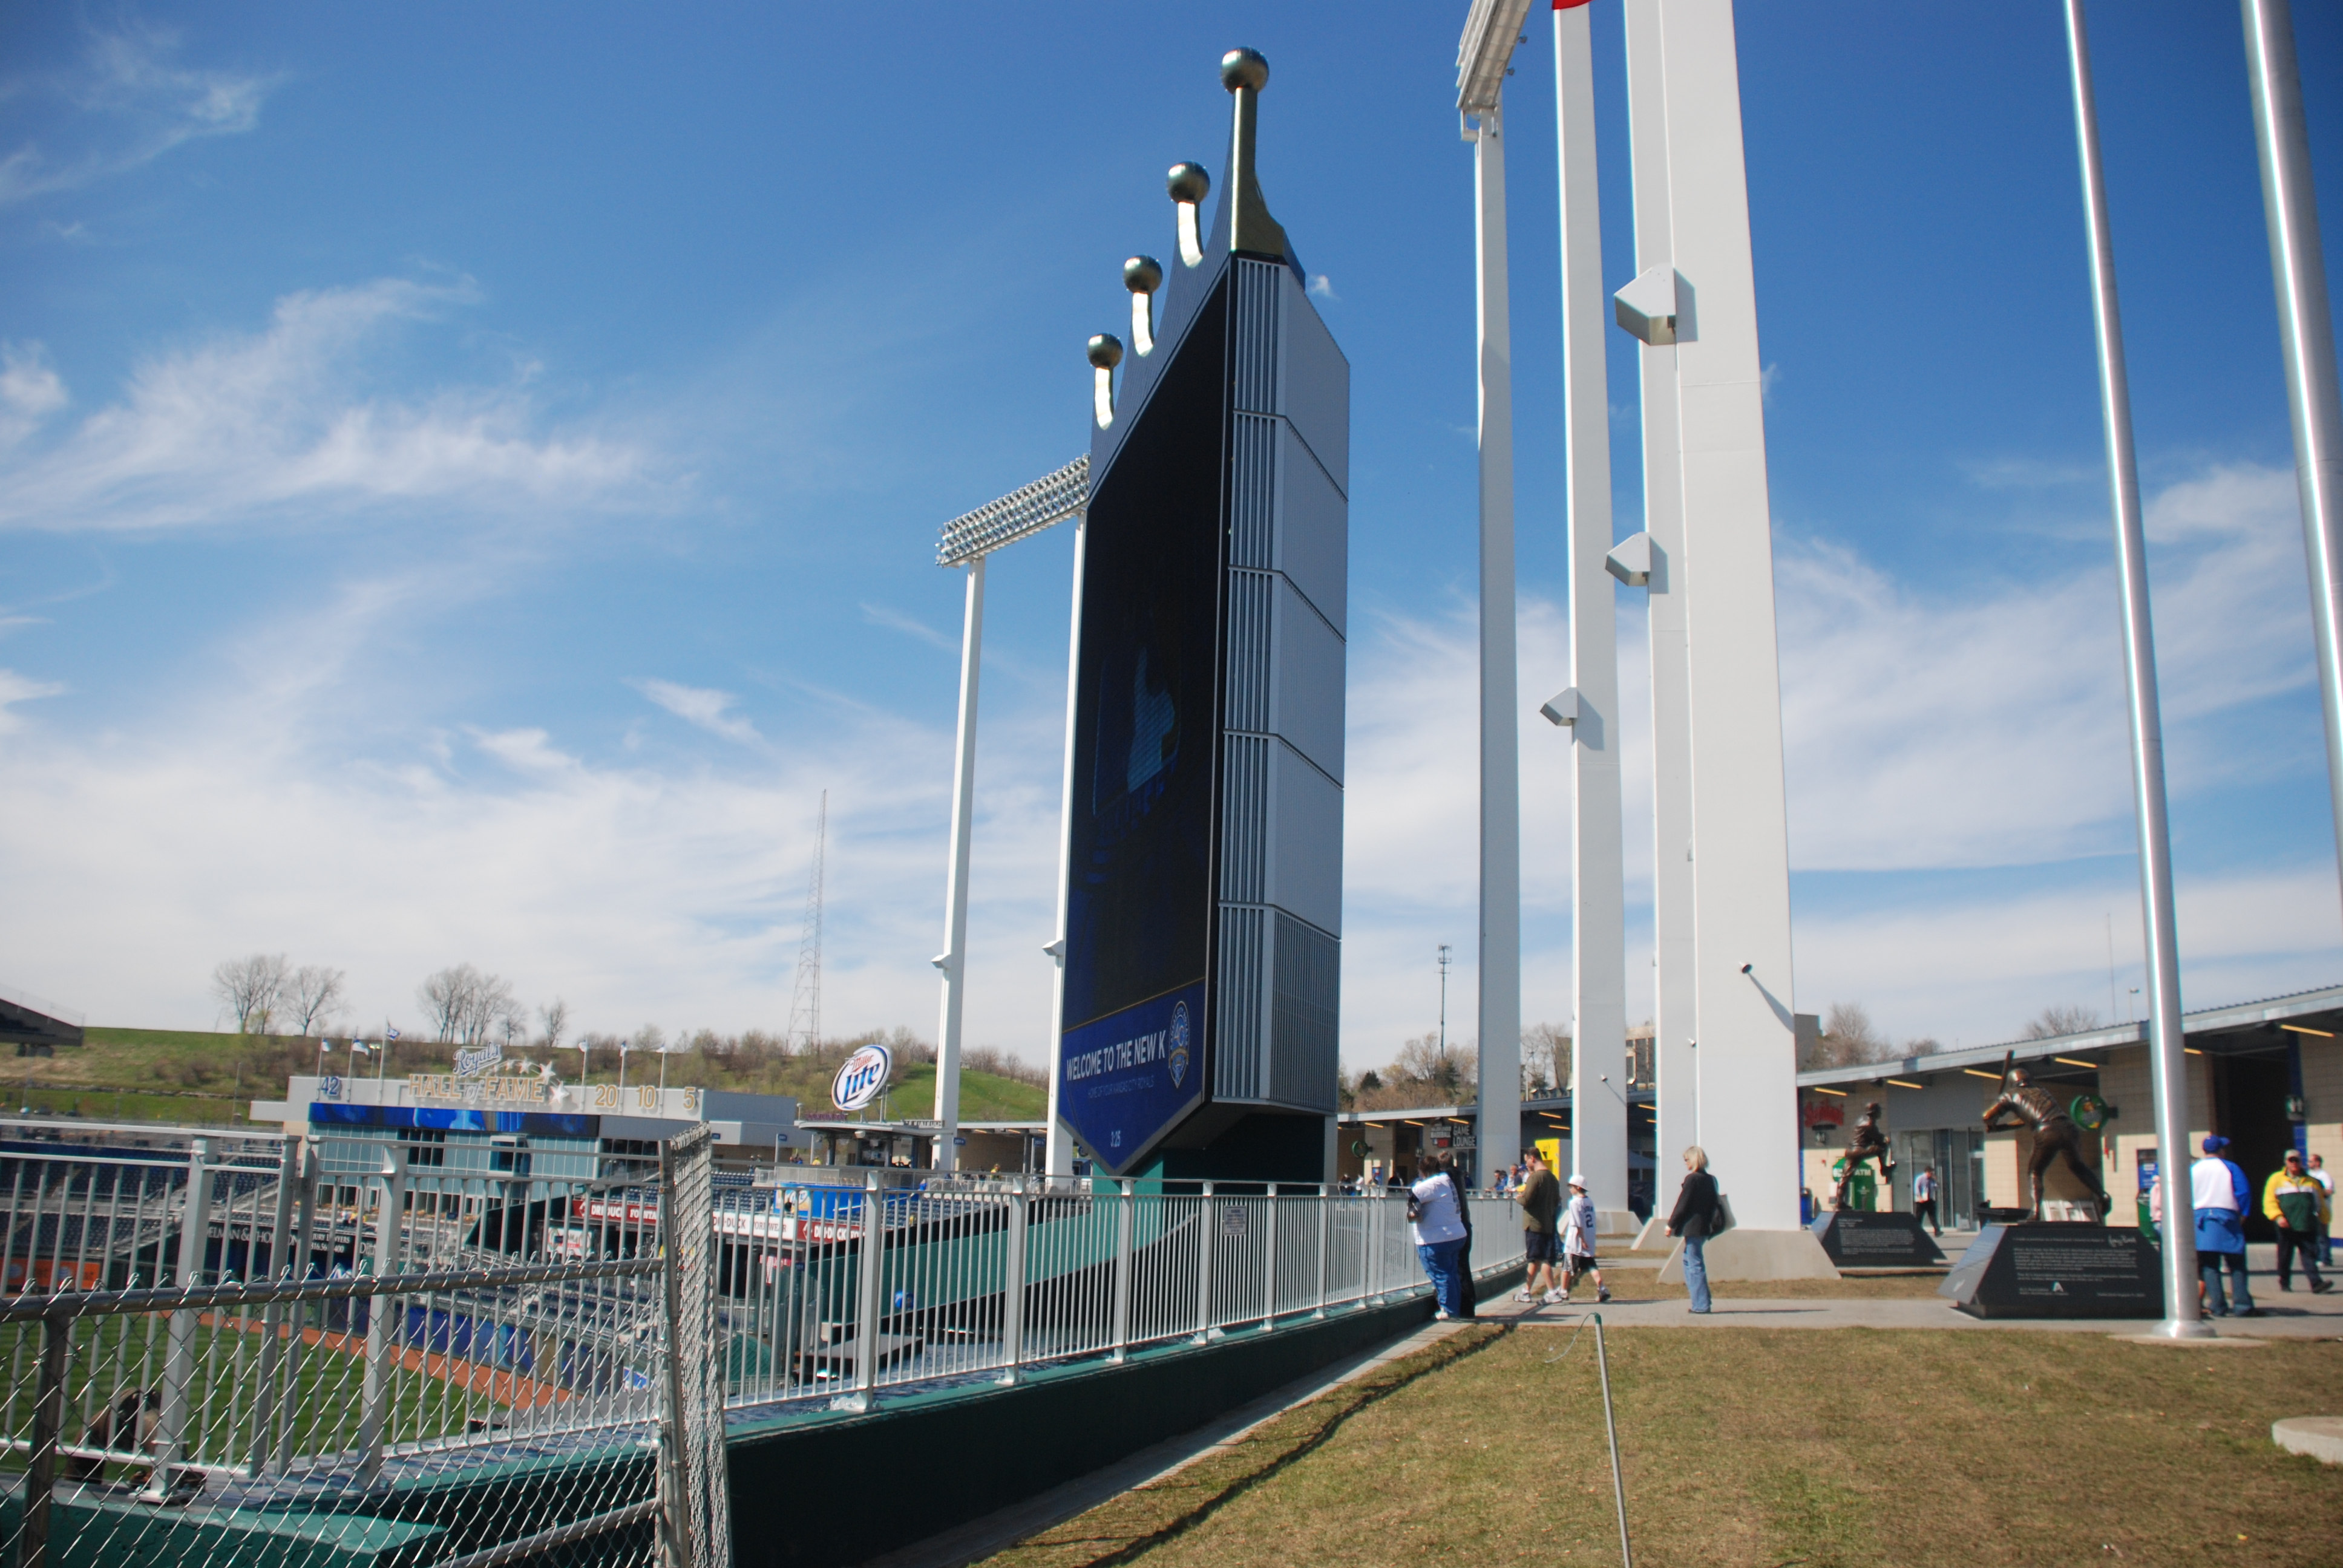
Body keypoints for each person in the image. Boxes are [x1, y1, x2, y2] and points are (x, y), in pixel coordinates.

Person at [2192, 1135, 2258, 1318]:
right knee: (2237, 1264)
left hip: (2201, 1219)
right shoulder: (2230, 1167)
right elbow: (2243, 1191)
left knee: (2209, 1265)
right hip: (2227, 1216)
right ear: (2220, 1150)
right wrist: (2243, 1213)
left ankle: (2217, 1305)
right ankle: (2242, 1305)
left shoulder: (2194, 1169)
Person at [2263, 1148, 2333, 1294]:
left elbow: (2320, 1203)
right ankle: (2285, 1283)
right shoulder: (2276, 1180)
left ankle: (2316, 1283)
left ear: (2301, 1162)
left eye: (2297, 1160)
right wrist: (2278, 1217)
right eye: (2291, 1160)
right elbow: (2269, 1202)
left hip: (2306, 1224)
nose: (2294, 1163)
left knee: (2309, 1255)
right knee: (2285, 1257)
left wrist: (2324, 1219)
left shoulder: (2312, 1182)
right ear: (2286, 1162)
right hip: (2286, 1226)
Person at [1408, 1153, 1470, 1320]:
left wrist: (1417, 1183)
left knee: (1440, 1274)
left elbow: (1414, 1193)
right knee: (1451, 1274)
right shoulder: (1447, 1181)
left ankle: (1448, 1310)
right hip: (1455, 1234)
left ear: (1423, 1171)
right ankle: (1454, 1309)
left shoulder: (1432, 1184)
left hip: (1436, 1238)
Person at [1665, 1145, 1720, 1315]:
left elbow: (1682, 1204)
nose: (1686, 1163)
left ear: (1695, 1159)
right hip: (1705, 1227)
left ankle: (1701, 1305)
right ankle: (1701, 1300)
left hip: (1693, 1228)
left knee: (1694, 1264)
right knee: (1689, 1261)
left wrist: (1671, 1224)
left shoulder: (1692, 1179)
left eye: (1687, 1160)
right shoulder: (1711, 1180)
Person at [1513, 1150, 1563, 1304]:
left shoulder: (1535, 1178)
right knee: (1539, 1260)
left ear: (1533, 1158)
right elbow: (1556, 1201)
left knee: (1536, 1258)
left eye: (1526, 1160)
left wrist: (1518, 1198)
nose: (1526, 1164)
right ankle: (1527, 1291)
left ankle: (1551, 1292)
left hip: (1534, 1224)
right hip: (1548, 1223)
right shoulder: (1552, 1178)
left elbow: (1527, 1200)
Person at [1560, 1172, 1611, 1303]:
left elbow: (1577, 1223)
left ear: (1578, 1188)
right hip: (1589, 1237)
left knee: (1567, 1266)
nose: (1570, 1189)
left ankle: (1563, 1291)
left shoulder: (1574, 1203)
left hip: (1575, 1240)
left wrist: (1582, 1239)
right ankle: (1602, 1287)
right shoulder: (1589, 1202)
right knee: (1590, 1264)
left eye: (1571, 1186)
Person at [2310, 1152, 2335, 1266]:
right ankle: (2316, 1257)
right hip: (2312, 1210)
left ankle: (2325, 1259)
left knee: (2322, 1235)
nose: (2309, 1163)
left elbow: (2329, 1191)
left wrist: (2318, 1192)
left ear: (2318, 1163)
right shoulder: (2308, 1175)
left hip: (2323, 1209)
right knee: (2314, 1236)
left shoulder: (2324, 1176)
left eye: (2311, 1161)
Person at [1912, 1165, 1941, 1236]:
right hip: (1921, 1201)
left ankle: (1937, 1231)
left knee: (1933, 1216)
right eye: (1931, 1173)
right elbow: (1917, 1188)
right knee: (1919, 1217)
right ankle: (1917, 1231)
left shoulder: (1932, 1180)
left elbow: (1936, 1188)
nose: (1932, 1174)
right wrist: (1920, 1197)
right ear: (1927, 1172)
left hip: (1930, 1200)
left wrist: (1936, 1181)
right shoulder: (1920, 1178)